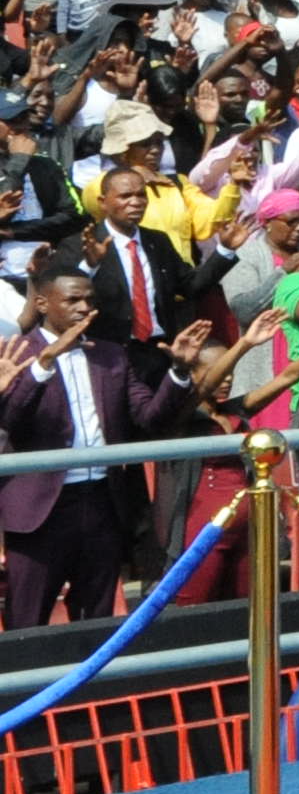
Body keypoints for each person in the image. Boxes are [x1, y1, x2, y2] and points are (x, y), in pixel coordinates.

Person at [0, 266, 202, 627]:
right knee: (26, 621)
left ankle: (92, 685)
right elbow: (10, 423)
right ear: (42, 303)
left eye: (89, 300)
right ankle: (26, 686)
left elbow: (150, 417)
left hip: (102, 502)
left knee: (96, 618)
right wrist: (44, 365)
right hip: (39, 509)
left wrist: (180, 372)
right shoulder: (16, 353)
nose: (83, 308)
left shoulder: (111, 354)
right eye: (72, 300)